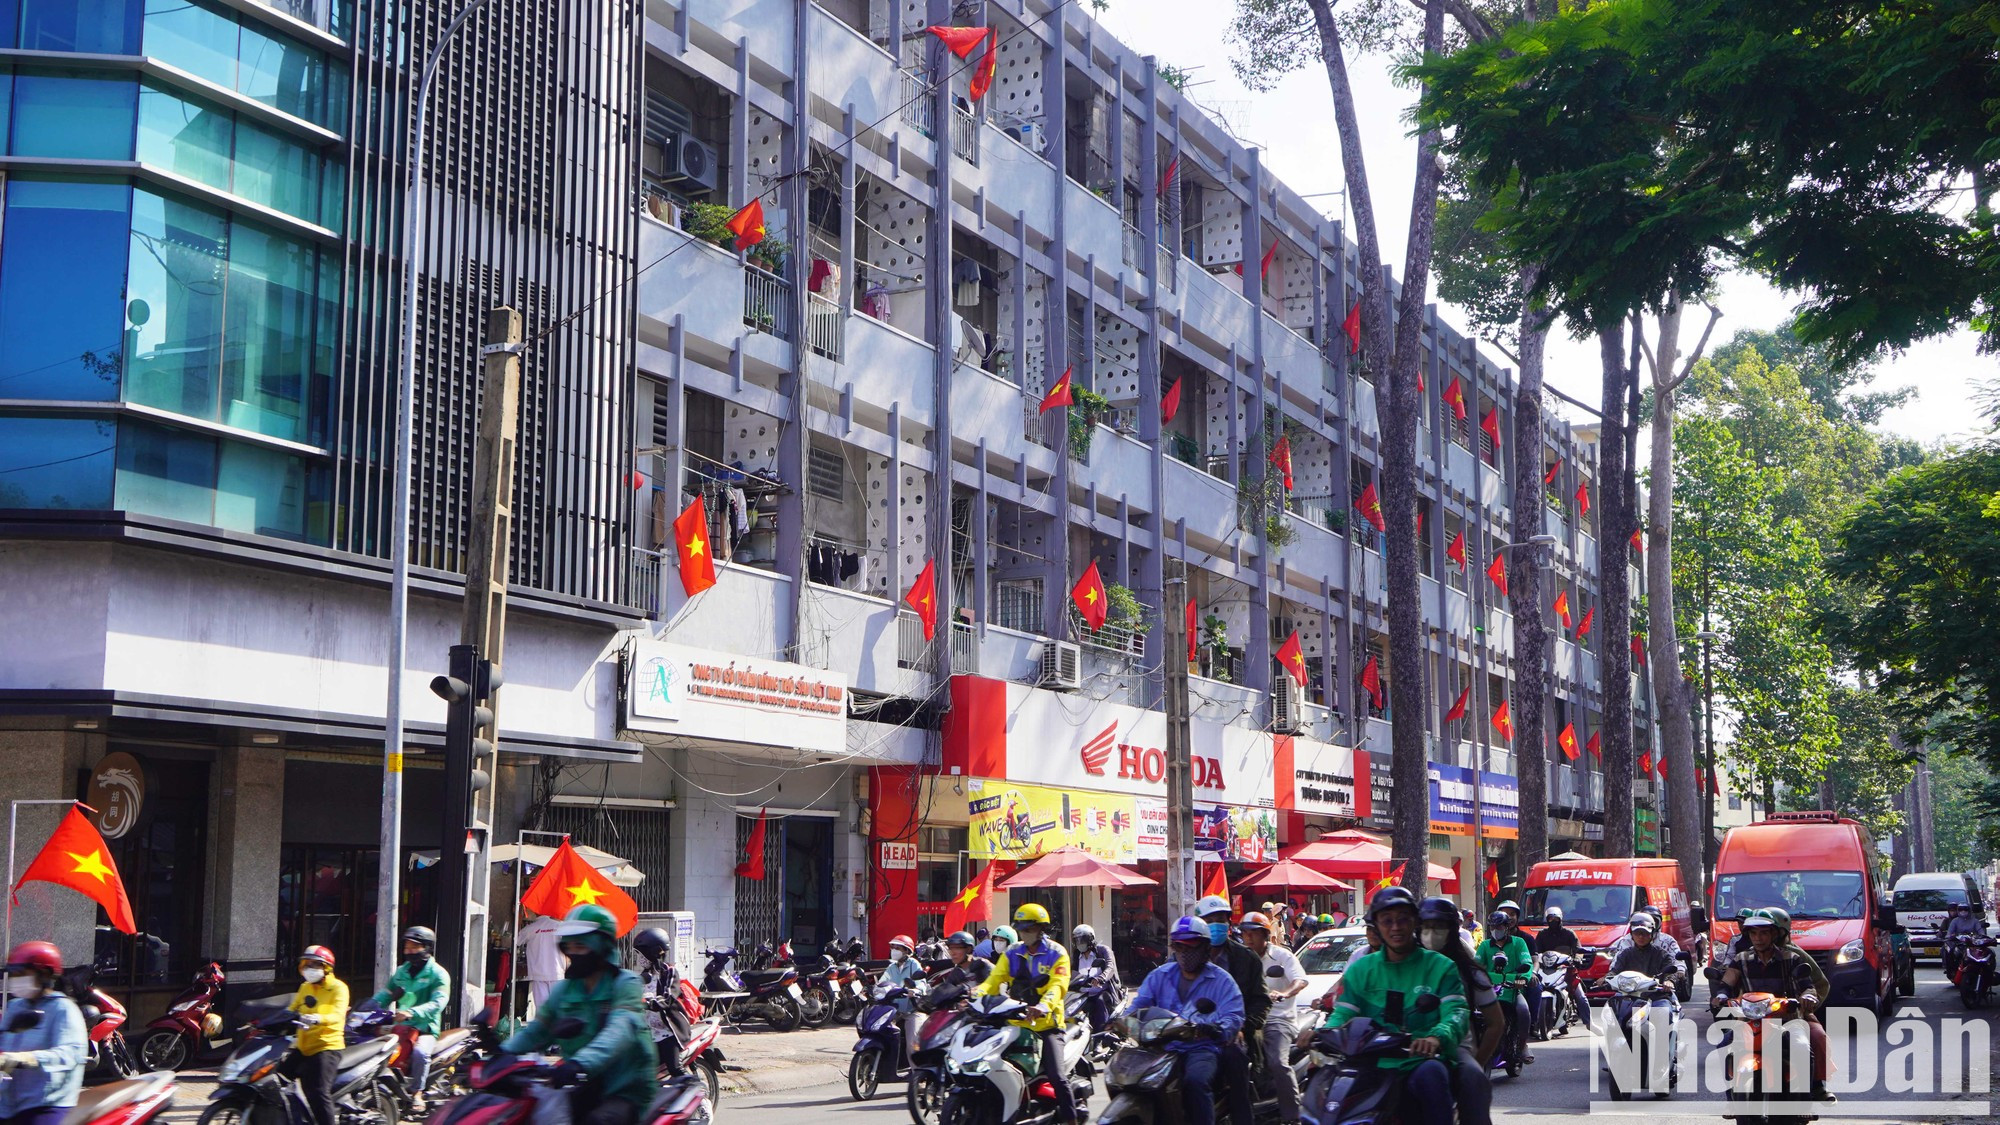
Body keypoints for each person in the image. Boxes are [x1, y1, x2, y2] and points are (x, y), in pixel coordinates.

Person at [1301, 888, 1465, 1125]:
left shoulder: (1442, 967)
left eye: (1402, 919)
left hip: (1416, 1061)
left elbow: (1456, 1013)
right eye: (1387, 921)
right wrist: (1323, 1034)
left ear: (1415, 923)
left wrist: (1435, 1038)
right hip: (1366, 1063)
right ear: (1376, 926)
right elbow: (1344, 1013)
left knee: (1432, 1076)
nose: (1395, 927)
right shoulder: (1361, 969)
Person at [502, 904, 658, 1125]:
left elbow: (620, 1030)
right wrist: (501, 1053)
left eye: (581, 946)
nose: (573, 953)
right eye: (570, 946)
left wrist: (580, 1063)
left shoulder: (625, 984)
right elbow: (539, 1030)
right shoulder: (565, 990)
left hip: (624, 1088)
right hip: (582, 1084)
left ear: (601, 947)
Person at [1122, 917, 1245, 1125]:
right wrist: (1119, 1022)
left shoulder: (1222, 980)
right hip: (1159, 1048)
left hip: (1200, 1048)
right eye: (1179, 946)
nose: (1184, 952)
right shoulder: (1159, 976)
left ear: (1205, 948)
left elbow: (1234, 1015)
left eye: (1191, 946)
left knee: (1195, 1082)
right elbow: (1138, 1006)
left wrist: (1216, 1029)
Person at [975, 904, 1075, 1125]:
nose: (1023, 933)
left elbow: (1058, 986)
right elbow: (994, 981)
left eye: (1028, 928)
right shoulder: (1012, 952)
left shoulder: (1057, 953)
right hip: (1016, 1025)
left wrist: (1043, 1006)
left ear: (1040, 929)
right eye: (1020, 928)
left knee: (1058, 1077)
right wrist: (975, 995)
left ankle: (1071, 1120)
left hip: (1047, 1025)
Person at [1715, 909, 1826, 1093]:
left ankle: (1807, 1099)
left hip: (1788, 1020)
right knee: (1724, 1045)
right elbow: (1727, 982)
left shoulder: (1792, 958)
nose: (1758, 938)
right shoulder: (1741, 959)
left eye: (1764, 932)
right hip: (1750, 1020)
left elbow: (1808, 986)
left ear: (1774, 933)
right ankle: (1731, 1099)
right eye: (1753, 933)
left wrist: (1807, 996)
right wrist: (1721, 996)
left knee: (1802, 1047)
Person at [1418, 897, 1501, 1125]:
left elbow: (1496, 1023)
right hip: (1404, 1046)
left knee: (1473, 1082)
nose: (1431, 933)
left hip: (1456, 1048)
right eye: (1426, 926)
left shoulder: (1469, 971)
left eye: (1439, 927)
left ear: (1453, 930)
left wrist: (1478, 1061)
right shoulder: (1403, 963)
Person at [1197, 895, 1266, 1125]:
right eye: (1210, 920)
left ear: (1229, 923)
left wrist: (1242, 1027)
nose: (1216, 924)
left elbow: (1260, 1001)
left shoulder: (1247, 959)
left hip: (1234, 1036)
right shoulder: (1187, 957)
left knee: (1236, 1066)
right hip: (1193, 1035)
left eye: (1221, 919)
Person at [0, 941, 86, 1125]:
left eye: (22, 974)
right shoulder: (15, 1006)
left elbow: (71, 1054)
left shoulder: (64, 1009)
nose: (16, 979)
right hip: (8, 1103)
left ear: (44, 974)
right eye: (14, 974)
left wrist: (25, 1058)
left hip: (46, 1104)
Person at [373, 926, 451, 1110]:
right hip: (401, 1026)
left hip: (425, 1028)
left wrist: (413, 1012)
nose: (409, 951)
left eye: (414, 947)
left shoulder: (438, 974)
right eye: (407, 947)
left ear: (427, 948)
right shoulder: (401, 971)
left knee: (420, 1053)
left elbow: (438, 1003)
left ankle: (417, 1093)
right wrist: (367, 1007)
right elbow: (385, 994)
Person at [1240, 913, 1306, 1125]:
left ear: (1265, 935)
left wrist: (1285, 993)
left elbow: (1300, 980)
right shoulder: (1239, 959)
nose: (1248, 938)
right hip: (1247, 1018)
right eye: (1245, 933)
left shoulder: (1282, 956)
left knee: (1278, 1062)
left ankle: (1292, 1117)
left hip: (1278, 1019)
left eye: (1253, 934)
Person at [284, 946, 350, 1125]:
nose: (309, 968)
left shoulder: (339, 988)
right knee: (278, 1078)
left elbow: (338, 1015)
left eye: (315, 965)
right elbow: (292, 1008)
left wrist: (318, 1018)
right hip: (303, 1046)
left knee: (318, 1092)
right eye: (307, 964)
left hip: (326, 1046)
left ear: (326, 968)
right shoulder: (305, 987)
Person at [632, 927, 693, 1078]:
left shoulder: (669, 972)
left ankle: (695, 1092)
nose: (639, 958)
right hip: (648, 1033)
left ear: (654, 951)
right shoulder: (644, 976)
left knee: (675, 1070)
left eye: (641, 953)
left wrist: (646, 1002)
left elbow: (667, 998)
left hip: (668, 1032)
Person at [1475, 912, 1532, 1065]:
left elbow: (1527, 963)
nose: (1496, 929)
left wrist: (1522, 979)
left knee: (1523, 1011)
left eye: (1499, 926)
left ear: (1507, 927)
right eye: (1493, 926)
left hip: (1512, 990)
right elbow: (1476, 967)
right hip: (1489, 992)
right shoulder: (1485, 945)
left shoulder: (1518, 943)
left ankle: (1522, 1047)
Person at [1530, 907, 1590, 1033]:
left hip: (1565, 969)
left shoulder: (1569, 934)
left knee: (1580, 996)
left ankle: (1589, 1022)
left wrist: (1577, 958)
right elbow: (1536, 952)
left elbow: (1578, 949)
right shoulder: (1542, 935)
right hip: (1546, 969)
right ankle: (1533, 1024)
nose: (1553, 921)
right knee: (1532, 990)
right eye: (1550, 919)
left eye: (1555, 918)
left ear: (1561, 919)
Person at [1070, 925, 1120, 1038]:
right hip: (1083, 992)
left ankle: (1100, 1038)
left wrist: (1101, 978)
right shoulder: (1076, 955)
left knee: (1100, 1002)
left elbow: (1110, 967)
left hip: (1102, 990)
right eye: (1077, 940)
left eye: (1082, 939)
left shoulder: (1103, 950)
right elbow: (1071, 972)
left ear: (1090, 939)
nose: (1079, 943)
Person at [517, 905, 567, 1014]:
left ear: (535, 912)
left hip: (538, 974)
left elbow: (516, 941)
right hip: (557, 973)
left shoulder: (530, 929)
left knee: (542, 1012)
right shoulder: (559, 926)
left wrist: (518, 918)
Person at [1608, 913, 1683, 985]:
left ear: (1652, 934)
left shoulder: (1662, 954)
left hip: (1656, 994)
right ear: (1631, 934)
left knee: (1667, 998)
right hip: (1628, 992)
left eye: (1645, 933)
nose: (1641, 937)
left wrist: (1669, 981)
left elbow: (1670, 972)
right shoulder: (1625, 954)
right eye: (1637, 933)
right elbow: (1615, 971)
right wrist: (1606, 978)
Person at [1945, 903, 1985, 975]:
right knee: (1950, 951)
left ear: (1969, 910)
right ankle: (1952, 971)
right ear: (1958, 910)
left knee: (1986, 951)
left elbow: (1981, 932)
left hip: (1973, 944)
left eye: (1965, 909)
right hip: (1959, 943)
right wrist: (1952, 936)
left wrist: (1982, 937)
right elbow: (1949, 933)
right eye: (1961, 909)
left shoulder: (1975, 921)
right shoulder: (1955, 921)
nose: (1963, 911)